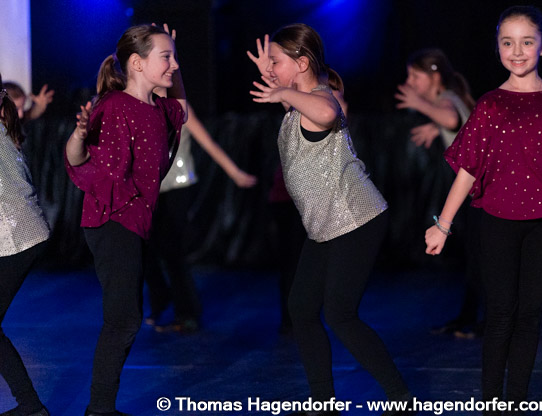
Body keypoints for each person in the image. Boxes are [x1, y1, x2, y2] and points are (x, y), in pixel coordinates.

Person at [425, 5, 542, 410]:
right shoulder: (491, 105)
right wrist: (442, 225)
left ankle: (517, 402)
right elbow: (468, 168)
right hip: (497, 222)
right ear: (497, 47)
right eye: (508, 43)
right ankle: (492, 402)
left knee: (530, 315)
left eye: (526, 42)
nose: (517, 51)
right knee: (500, 315)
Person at [247, 24, 413, 414]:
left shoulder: (325, 97)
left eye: (278, 61)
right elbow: (298, 103)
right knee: (302, 309)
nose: (272, 69)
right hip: (325, 227)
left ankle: (401, 399)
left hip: (356, 219)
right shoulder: (297, 105)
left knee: (340, 314)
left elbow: (324, 111)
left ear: (302, 63)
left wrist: (282, 90)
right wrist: (276, 79)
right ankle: (323, 402)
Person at [65, 24, 187, 416]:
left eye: (174, 57)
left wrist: (171, 62)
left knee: (126, 318)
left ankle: (101, 408)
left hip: (134, 220)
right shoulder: (115, 106)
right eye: (165, 57)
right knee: (123, 320)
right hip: (111, 219)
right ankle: (99, 409)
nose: (174, 65)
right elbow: (79, 158)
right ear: (137, 63)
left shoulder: (160, 109)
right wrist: (79, 136)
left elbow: (181, 108)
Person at [144, 104, 257, 333]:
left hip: (178, 185)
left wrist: (235, 173)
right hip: (150, 187)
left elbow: (208, 143)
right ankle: (161, 297)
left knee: (172, 249)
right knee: (144, 246)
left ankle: (188, 313)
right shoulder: (141, 103)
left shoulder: (179, 106)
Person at [395, 48, 482, 338]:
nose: (410, 82)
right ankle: (469, 317)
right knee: (476, 258)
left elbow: (451, 119)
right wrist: (435, 126)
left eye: (415, 76)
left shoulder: (446, 98)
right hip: (476, 190)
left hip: (481, 191)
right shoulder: (452, 97)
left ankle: (480, 320)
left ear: (434, 77)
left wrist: (420, 104)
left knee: (480, 259)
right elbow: (458, 124)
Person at [0, 73, 51, 416]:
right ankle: (30, 406)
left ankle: (31, 407)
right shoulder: (6, 127)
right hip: (21, 232)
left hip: (17, 234)